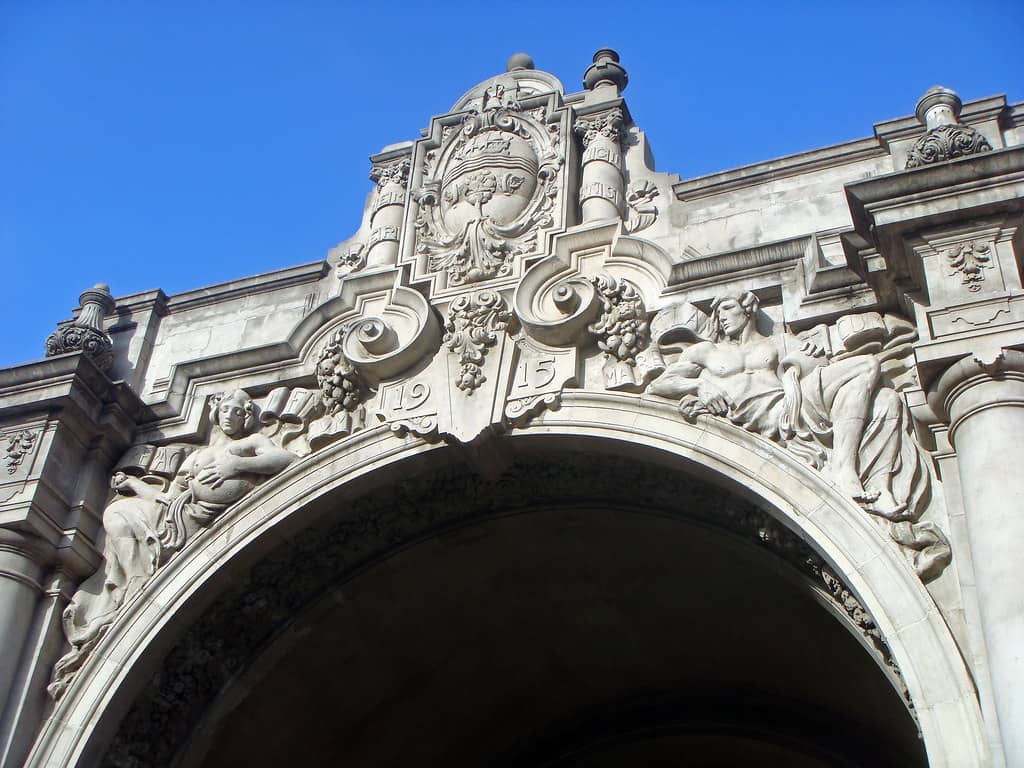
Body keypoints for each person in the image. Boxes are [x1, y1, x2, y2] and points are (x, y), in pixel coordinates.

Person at [49, 389, 296, 698]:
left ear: (248, 416)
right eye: (225, 410)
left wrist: (236, 467)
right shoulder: (195, 456)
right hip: (176, 516)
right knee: (119, 512)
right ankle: (133, 588)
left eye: (236, 411)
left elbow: (285, 457)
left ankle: (135, 593)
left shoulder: (248, 444)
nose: (229, 416)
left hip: (201, 515)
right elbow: (168, 497)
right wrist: (135, 485)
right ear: (215, 415)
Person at [649, 292, 921, 520]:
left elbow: (815, 361)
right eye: (717, 311)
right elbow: (660, 385)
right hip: (759, 417)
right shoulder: (706, 351)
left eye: (728, 307)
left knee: (875, 378)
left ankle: (855, 473)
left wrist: (797, 365)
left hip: (793, 408)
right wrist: (698, 386)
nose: (721, 316)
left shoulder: (778, 342)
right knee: (873, 379)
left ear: (748, 309)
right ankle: (846, 470)